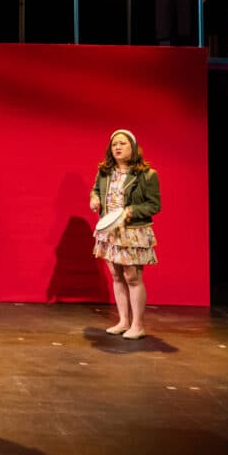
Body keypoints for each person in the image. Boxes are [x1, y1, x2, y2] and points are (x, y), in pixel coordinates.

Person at [89, 129, 160, 341]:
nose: (117, 147)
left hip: (132, 232)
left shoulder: (147, 175)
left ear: (133, 147)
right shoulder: (104, 173)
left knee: (133, 277)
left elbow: (154, 205)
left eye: (123, 143)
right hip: (109, 232)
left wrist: (130, 211)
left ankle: (137, 325)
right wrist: (94, 199)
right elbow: (95, 191)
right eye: (114, 144)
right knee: (116, 275)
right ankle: (123, 321)